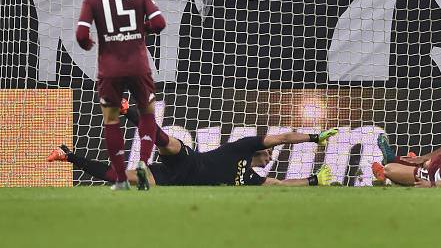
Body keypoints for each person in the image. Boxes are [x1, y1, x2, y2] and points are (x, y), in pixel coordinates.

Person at [49, 101, 338, 187]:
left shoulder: (250, 179)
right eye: (269, 153)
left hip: (173, 180)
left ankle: (68, 157)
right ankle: (128, 111)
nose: (270, 157)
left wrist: (313, 180)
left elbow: (278, 185)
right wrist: (314, 136)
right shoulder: (244, 145)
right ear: (261, 150)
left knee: (121, 178)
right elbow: (285, 137)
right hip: (189, 160)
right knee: (166, 143)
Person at [75, 0, 166, 190]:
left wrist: (88, 43)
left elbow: (81, 34)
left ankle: (121, 179)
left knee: (111, 120)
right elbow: (159, 22)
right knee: (147, 112)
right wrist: (140, 31)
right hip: (138, 64)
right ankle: (143, 164)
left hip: (110, 68)